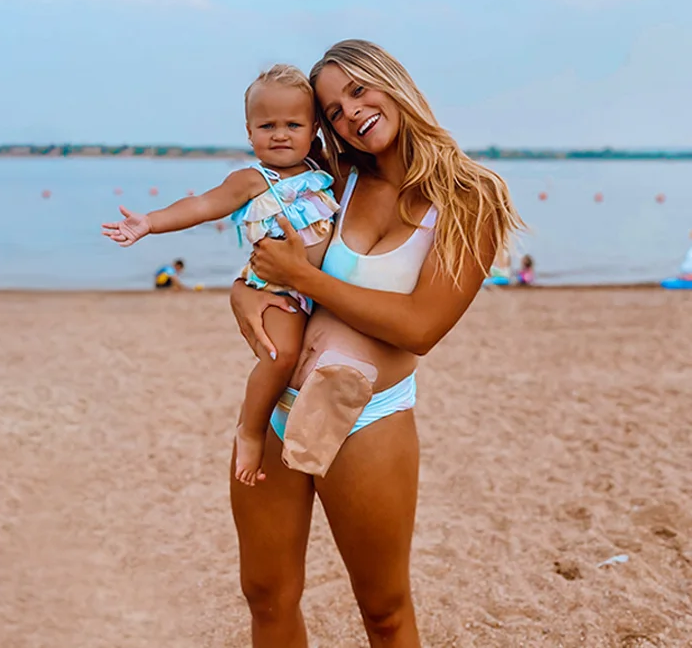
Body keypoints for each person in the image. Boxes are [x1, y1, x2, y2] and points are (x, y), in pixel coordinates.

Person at [229, 40, 523, 646]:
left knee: (384, 610)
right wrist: (242, 291)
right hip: (278, 409)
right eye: (333, 111)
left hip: (368, 421)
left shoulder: (472, 199)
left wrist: (304, 279)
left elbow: (421, 326)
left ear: (392, 82)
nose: (351, 113)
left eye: (359, 91)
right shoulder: (334, 181)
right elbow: (272, 254)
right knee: (265, 595)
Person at [102, 64, 339, 486]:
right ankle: (250, 430)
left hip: (315, 291)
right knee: (279, 355)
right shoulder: (251, 179)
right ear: (249, 133)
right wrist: (150, 222)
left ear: (313, 128)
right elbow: (201, 206)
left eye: (293, 124)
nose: (280, 134)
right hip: (275, 288)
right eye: (267, 125)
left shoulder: (320, 176)